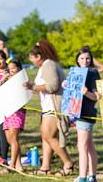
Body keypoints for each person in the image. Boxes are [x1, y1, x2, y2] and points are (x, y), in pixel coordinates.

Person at [24, 39, 73, 176]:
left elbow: (52, 86)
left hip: (53, 107)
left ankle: (68, 162)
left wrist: (32, 87)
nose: (32, 61)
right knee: (46, 137)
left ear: (38, 57)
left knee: (48, 135)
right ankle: (45, 167)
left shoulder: (48, 65)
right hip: (48, 107)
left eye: (32, 58)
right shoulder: (46, 65)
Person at [66, 47, 99, 182]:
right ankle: (92, 176)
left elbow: (97, 96)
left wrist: (87, 93)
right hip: (77, 113)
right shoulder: (75, 73)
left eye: (87, 58)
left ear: (91, 60)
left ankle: (83, 177)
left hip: (86, 114)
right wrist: (66, 85)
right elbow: (71, 93)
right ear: (77, 60)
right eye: (82, 58)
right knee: (89, 145)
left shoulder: (93, 73)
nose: (85, 61)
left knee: (82, 146)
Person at [0, 59, 26, 173]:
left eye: (13, 68)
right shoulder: (7, 80)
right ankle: (19, 165)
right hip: (7, 112)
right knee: (10, 139)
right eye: (9, 69)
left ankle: (11, 166)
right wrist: (2, 80)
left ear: (19, 69)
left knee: (14, 139)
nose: (11, 71)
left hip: (17, 112)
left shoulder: (21, 80)